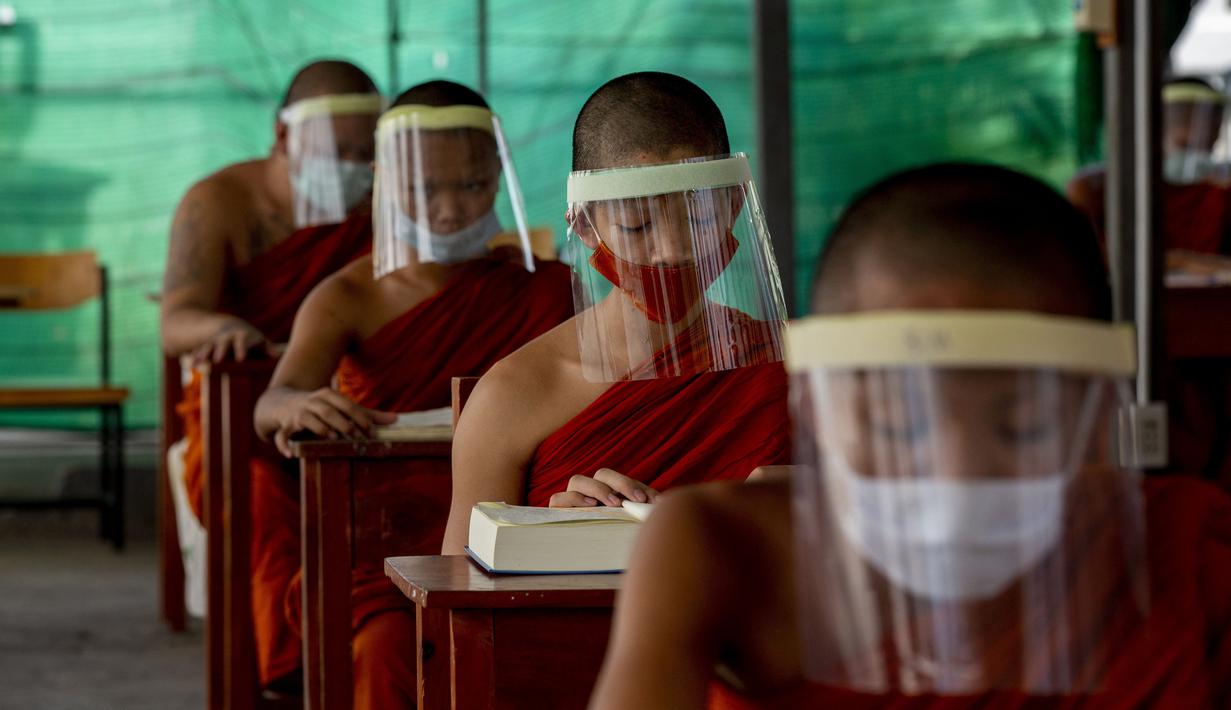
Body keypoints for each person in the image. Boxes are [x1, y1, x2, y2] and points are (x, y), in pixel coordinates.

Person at [590, 163, 1231, 709]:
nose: (956, 475)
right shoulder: (721, 546)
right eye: (898, 422)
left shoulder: (1183, 551)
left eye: (1024, 424)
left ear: (1092, 421)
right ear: (816, 410)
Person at [249, 79, 574, 710]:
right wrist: (294, 404)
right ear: (385, 181)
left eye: (473, 185)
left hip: (518, 526)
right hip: (388, 541)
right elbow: (273, 398)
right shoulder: (348, 296)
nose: (451, 209)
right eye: (426, 189)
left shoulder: (549, 290)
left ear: (499, 175)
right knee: (389, 645)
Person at [441, 71, 792, 557]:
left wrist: (820, 499)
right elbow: (458, 598)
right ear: (585, 226)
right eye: (636, 224)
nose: (669, 251)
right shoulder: (515, 395)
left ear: (734, 207)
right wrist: (545, 540)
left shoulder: (785, 363)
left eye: (700, 218)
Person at [159, 59, 382, 690]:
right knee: (259, 497)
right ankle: (292, 672)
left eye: (368, 153)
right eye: (339, 152)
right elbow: (177, 321)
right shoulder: (220, 201)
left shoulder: (381, 202)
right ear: (283, 138)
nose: (356, 168)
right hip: (241, 419)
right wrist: (222, 332)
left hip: (353, 401)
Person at [1068, 76, 1231, 254]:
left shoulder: (1220, 192)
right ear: (1152, 130)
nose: (1198, 158)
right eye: (1183, 145)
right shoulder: (1099, 190)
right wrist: (1185, 263)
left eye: (1207, 147)